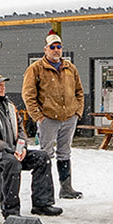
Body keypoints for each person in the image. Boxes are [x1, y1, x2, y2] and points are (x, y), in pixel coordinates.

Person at [0, 72, 62, 218]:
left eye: (3, 84)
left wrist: (21, 147)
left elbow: (20, 130)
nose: (3, 87)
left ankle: (42, 204)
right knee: (11, 164)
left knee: (42, 157)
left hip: (10, 150)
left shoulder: (9, 105)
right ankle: (11, 211)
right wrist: (7, 147)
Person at [22, 33, 85, 199]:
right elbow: (28, 94)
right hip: (48, 118)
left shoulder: (70, 68)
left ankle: (66, 188)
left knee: (65, 152)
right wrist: (38, 117)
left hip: (69, 117)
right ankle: (45, 190)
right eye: (52, 47)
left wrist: (77, 112)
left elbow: (79, 91)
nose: (56, 50)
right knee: (46, 154)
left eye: (59, 47)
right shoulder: (35, 68)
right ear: (45, 49)